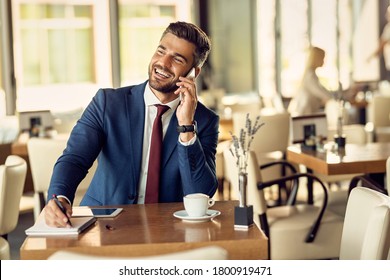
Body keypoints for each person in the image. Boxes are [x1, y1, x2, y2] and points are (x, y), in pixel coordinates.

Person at [44, 21, 219, 227]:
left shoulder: (205, 121)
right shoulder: (107, 103)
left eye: (177, 59)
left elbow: (200, 193)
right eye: (161, 51)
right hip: (104, 225)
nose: (163, 62)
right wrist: (60, 198)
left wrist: (186, 127)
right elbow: (74, 159)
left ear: (193, 73)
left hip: (168, 230)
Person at [288, 46, 358, 116]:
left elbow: (325, 92)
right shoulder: (310, 76)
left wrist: (345, 92)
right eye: (323, 58)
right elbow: (325, 94)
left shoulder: (312, 74)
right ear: (316, 59)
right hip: (303, 115)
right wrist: (346, 94)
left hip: (306, 113)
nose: (324, 61)